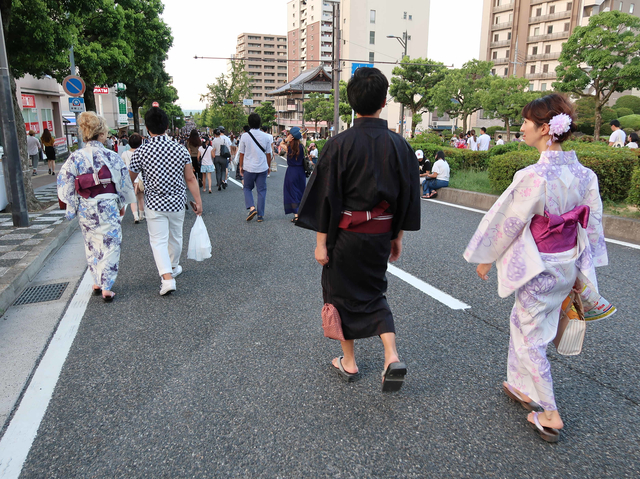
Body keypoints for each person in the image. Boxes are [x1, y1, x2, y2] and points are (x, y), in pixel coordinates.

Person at [463, 93, 608, 443]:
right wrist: (585, 271)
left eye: (527, 123)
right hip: (567, 262)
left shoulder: (534, 174)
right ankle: (519, 384)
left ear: (545, 128)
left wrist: (487, 257)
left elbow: (511, 221)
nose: (522, 129)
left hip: (539, 266)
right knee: (523, 321)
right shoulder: (585, 174)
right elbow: (593, 224)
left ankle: (550, 410)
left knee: (531, 336)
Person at [295, 67, 420, 392]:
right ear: (384, 100)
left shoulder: (339, 144)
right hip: (379, 235)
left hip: (346, 236)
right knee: (375, 291)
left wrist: (321, 243)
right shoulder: (400, 146)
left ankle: (349, 362)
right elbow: (407, 196)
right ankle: (391, 355)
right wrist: (397, 237)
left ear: (352, 101)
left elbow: (326, 197)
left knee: (340, 294)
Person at [57, 112, 135, 302]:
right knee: (110, 243)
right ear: (101, 134)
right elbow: (122, 182)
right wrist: (121, 203)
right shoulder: (111, 156)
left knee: (91, 243)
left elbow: (64, 181)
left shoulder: (75, 157)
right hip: (107, 203)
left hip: (86, 205)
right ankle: (107, 286)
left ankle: (96, 282)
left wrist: (72, 205)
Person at [129, 107, 203, 296]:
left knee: (158, 240)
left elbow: (130, 178)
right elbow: (190, 178)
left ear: (147, 127)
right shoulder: (180, 150)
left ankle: (167, 278)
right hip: (177, 201)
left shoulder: (141, 151)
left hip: (154, 203)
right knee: (176, 236)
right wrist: (198, 201)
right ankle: (172, 266)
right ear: (167, 126)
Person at [238, 113, 273, 222]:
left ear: (249, 123)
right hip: (262, 167)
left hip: (249, 167)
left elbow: (241, 153)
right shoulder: (266, 136)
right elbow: (268, 154)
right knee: (261, 190)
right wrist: (268, 166)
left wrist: (240, 166)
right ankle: (260, 215)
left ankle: (252, 208)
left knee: (247, 188)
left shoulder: (244, 136)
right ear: (260, 123)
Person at [281, 127, 307, 222]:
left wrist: (286, 140)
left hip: (291, 171)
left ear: (291, 136)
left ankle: (296, 215)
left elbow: (281, 144)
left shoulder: (289, 147)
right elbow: (304, 139)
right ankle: (301, 212)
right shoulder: (302, 147)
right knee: (300, 191)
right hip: (301, 171)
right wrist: (304, 134)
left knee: (292, 192)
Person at [120, 133, 145, 223]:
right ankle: (142, 214)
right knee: (141, 198)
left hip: (130, 179)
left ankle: (135, 216)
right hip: (141, 179)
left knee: (132, 199)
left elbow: (122, 167)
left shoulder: (124, 154)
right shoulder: (143, 153)